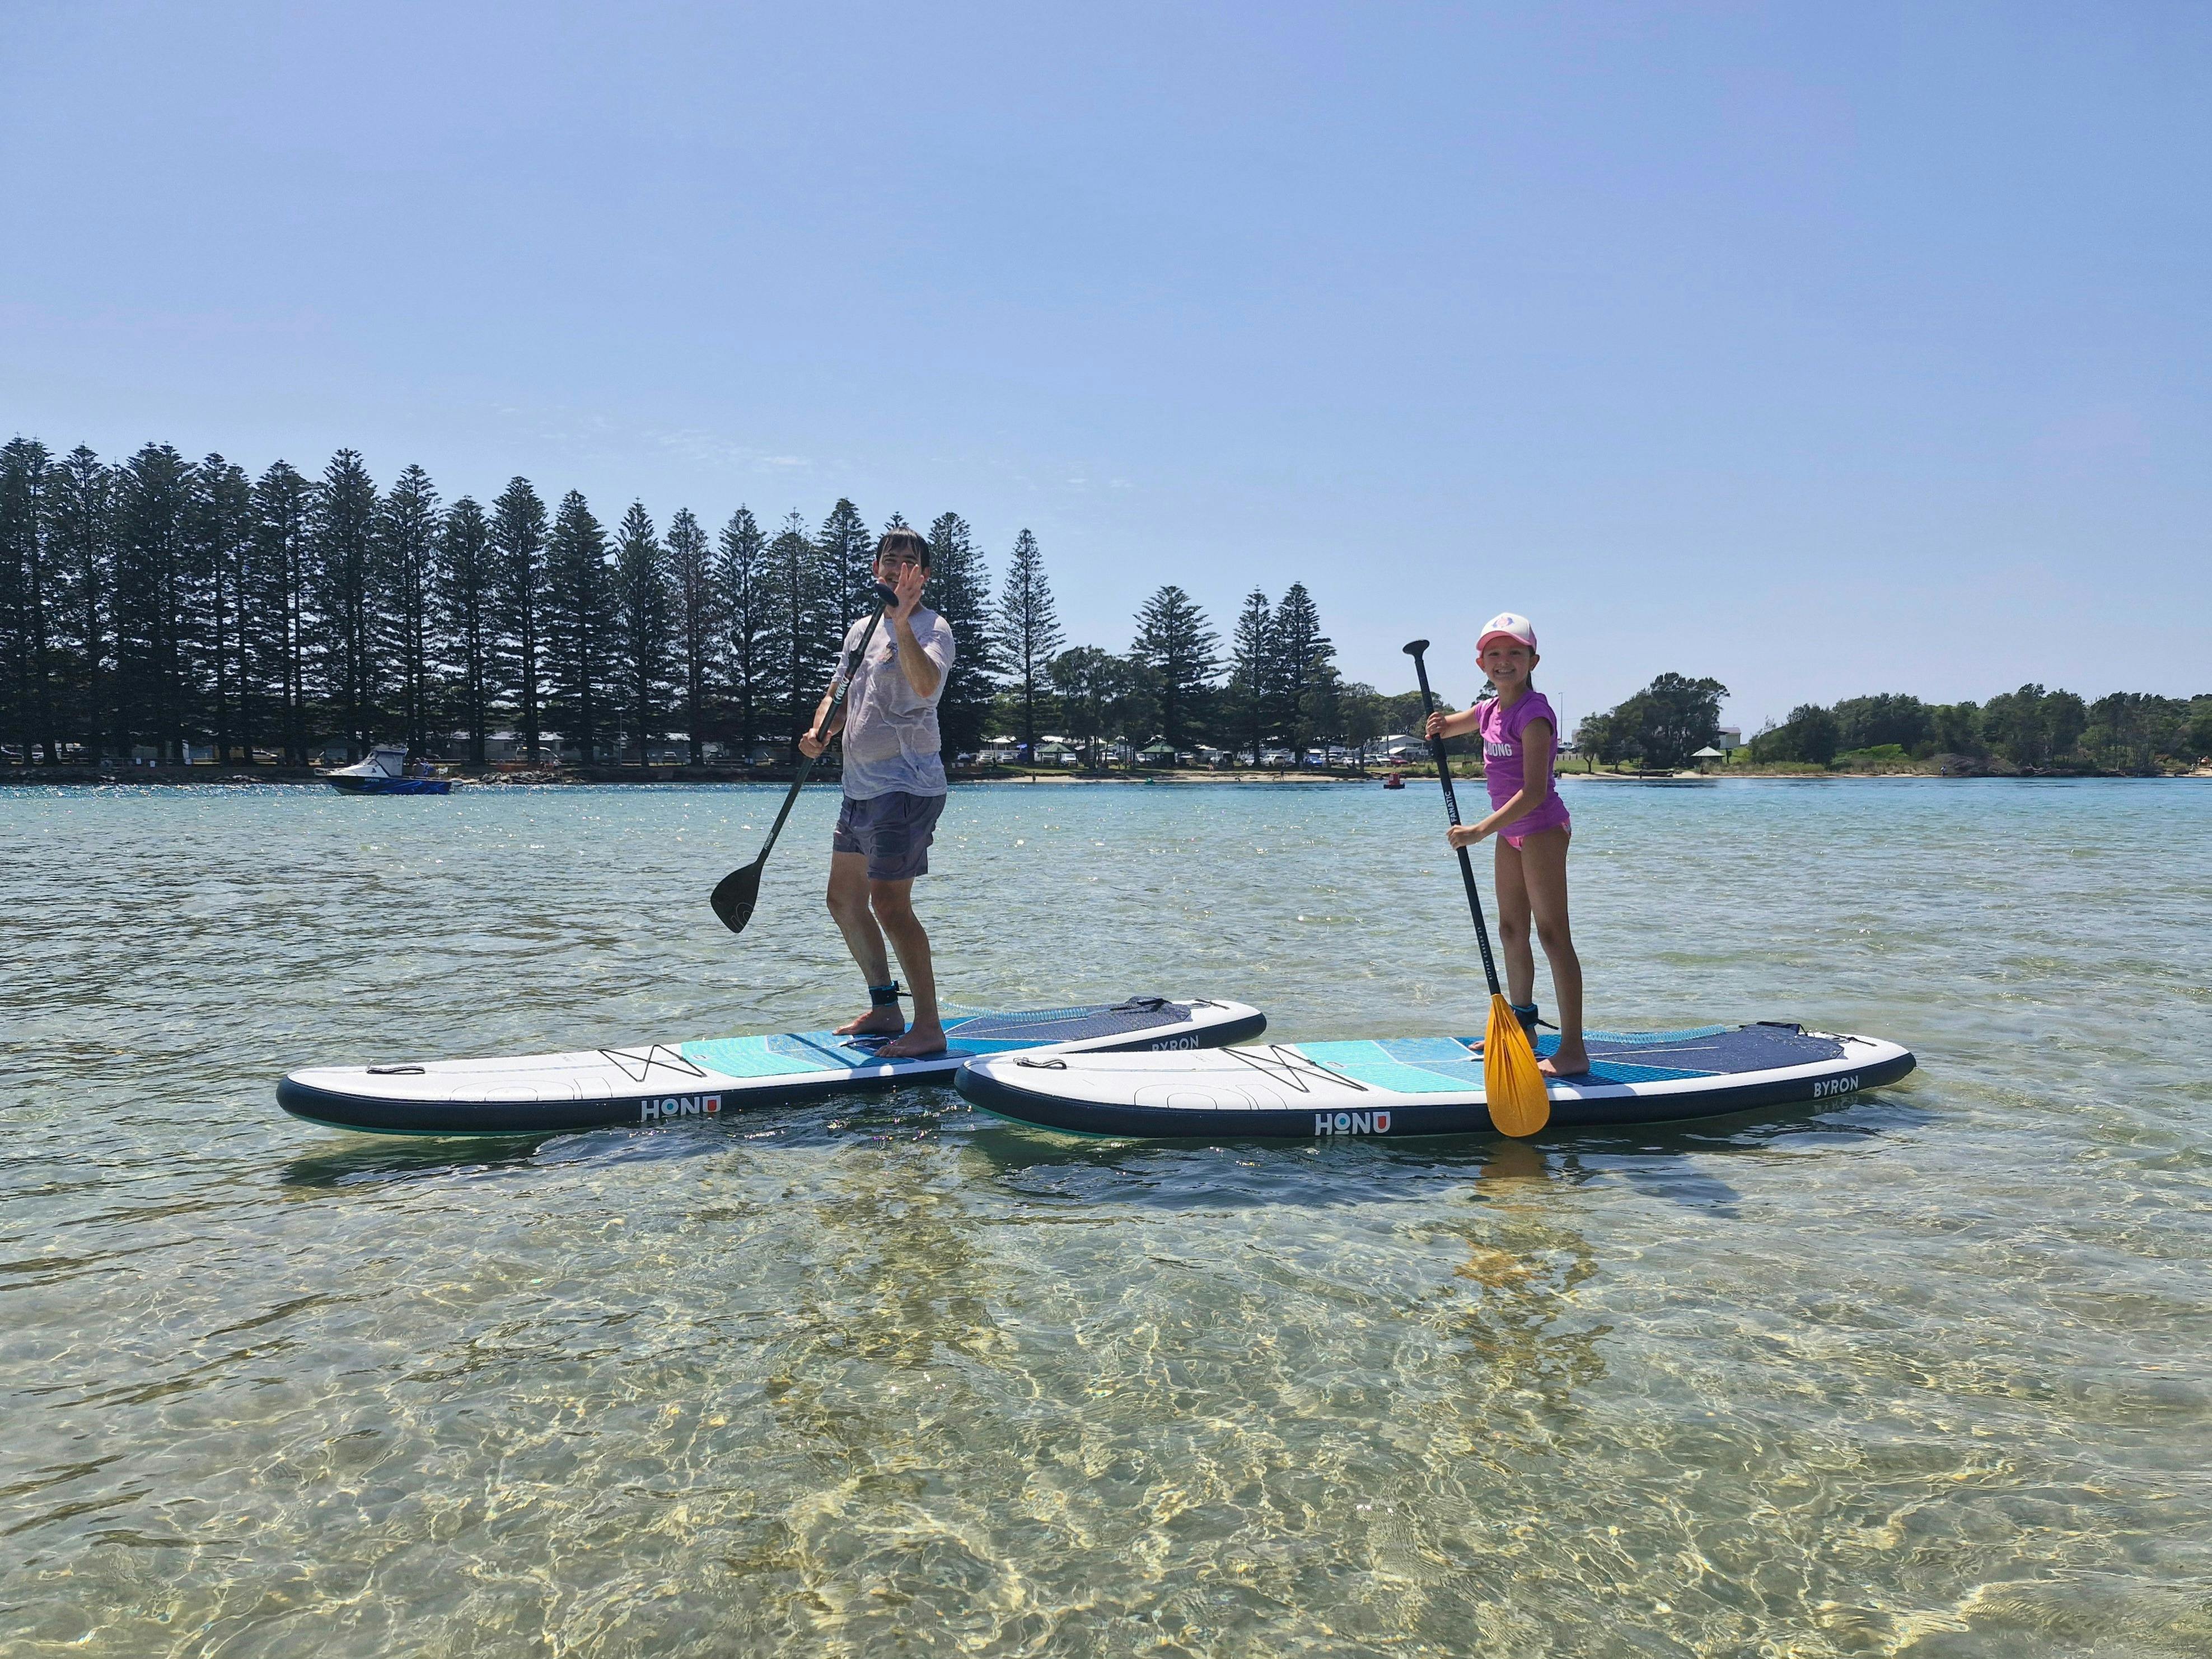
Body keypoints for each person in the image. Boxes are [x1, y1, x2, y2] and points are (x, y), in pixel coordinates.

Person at [799, 528, 957, 1057]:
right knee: (842, 900)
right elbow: (838, 694)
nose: (897, 569)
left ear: (924, 576)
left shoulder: (933, 628)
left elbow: (925, 685)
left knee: (889, 905)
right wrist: (821, 729)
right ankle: (886, 1007)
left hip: (906, 787)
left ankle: (929, 1026)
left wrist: (899, 624)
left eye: (910, 563)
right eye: (890, 560)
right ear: (875, 569)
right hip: (858, 787)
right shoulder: (857, 631)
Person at [1423, 612, 1588, 1075]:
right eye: (1494, 654)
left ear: (1533, 659)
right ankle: (1522, 1027)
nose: (1504, 661)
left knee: (1554, 935)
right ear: (1481, 664)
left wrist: (1478, 830)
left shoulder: (1534, 714)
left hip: (1540, 829)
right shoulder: (1490, 710)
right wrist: (1436, 724)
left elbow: (1534, 792)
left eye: (1515, 652)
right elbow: (1450, 726)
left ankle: (1572, 1050)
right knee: (1511, 930)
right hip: (1510, 832)